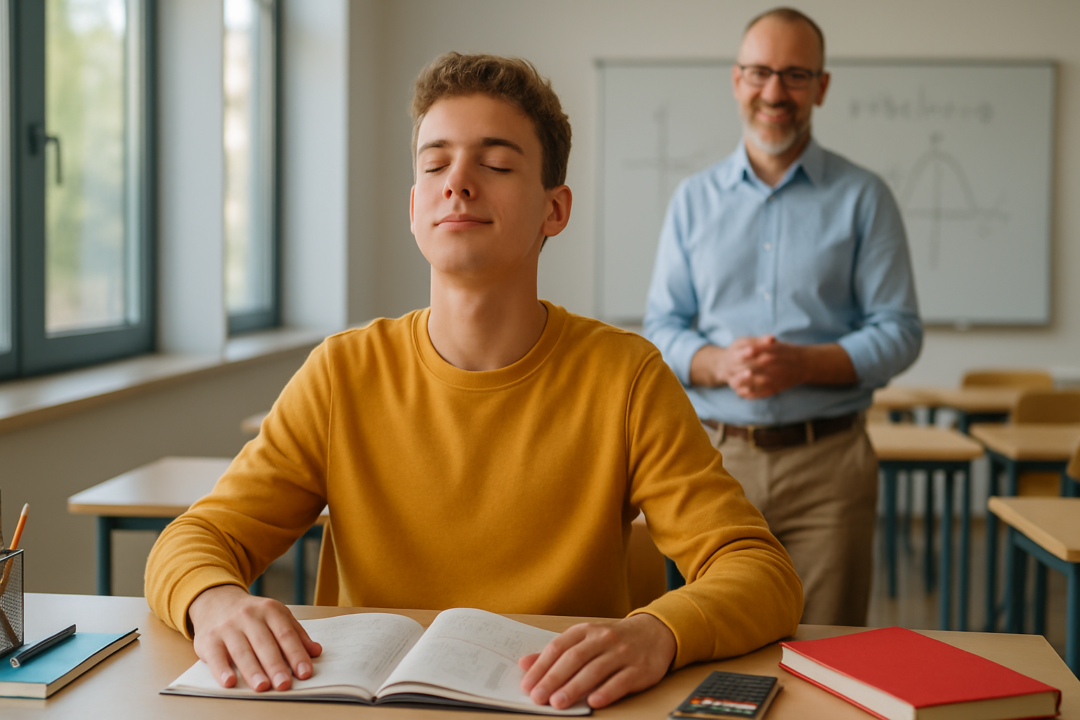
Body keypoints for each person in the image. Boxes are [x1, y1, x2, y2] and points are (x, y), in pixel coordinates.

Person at [145, 53, 802, 710]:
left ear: (554, 209)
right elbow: (192, 540)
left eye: (496, 164)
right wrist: (215, 600)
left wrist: (658, 631)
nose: (457, 183)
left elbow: (761, 573)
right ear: (414, 206)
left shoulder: (624, 376)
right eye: (434, 165)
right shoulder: (342, 372)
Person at [644, 8, 922, 627]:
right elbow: (661, 326)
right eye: (761, 72)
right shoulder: (692, 200)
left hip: (829, 466)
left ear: (821, 86)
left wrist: (804, 364)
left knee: (826, 653)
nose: (775, 92)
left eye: (795, 75)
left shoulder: (864, 196)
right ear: (737, 80)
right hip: (711, 463)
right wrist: (717, 363)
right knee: (715, 642)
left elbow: (900, 330)